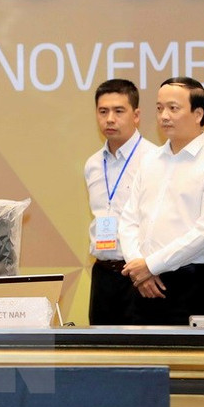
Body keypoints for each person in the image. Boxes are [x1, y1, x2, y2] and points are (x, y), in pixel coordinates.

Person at [118, 78, 204, 324]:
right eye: (160, 108)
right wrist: (138, 266)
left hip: (192, 284)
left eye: (173, 108)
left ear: (198, 114)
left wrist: (151, 265)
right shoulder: (149, 159)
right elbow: (129, 218)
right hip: (142, 281)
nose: (164, 116)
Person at [84, 79, 156, 325]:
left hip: (141, 275)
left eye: (118, 111)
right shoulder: (93, 163)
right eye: (103, 112)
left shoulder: (154, 159)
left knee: (140, 355)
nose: (110, 119)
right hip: (103, 272)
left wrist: (147, 269)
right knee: (99, 354)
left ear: (136, 115)